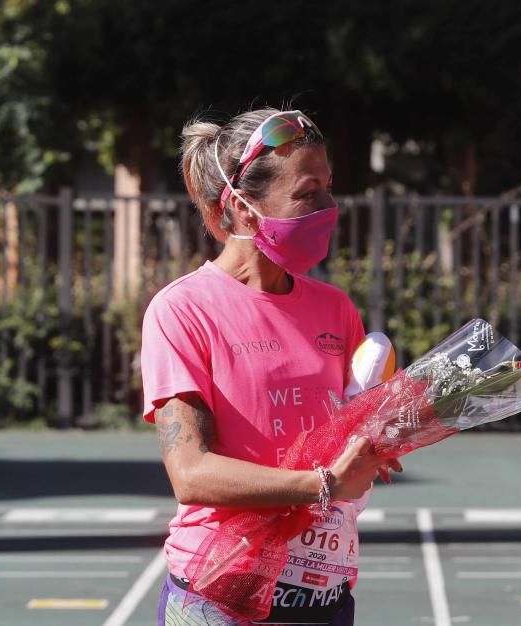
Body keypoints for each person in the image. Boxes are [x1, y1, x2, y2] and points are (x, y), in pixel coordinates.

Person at [141, 107, 401, 625]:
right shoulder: (182, 311)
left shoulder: (335, 309)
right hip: (221, 595)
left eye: (329, 187)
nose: (329, 207)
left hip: (322, 596)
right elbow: (191, 473)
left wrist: (384, 444)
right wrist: (324, 482)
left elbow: (351, 429)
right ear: (242, 209)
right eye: (308, 193)